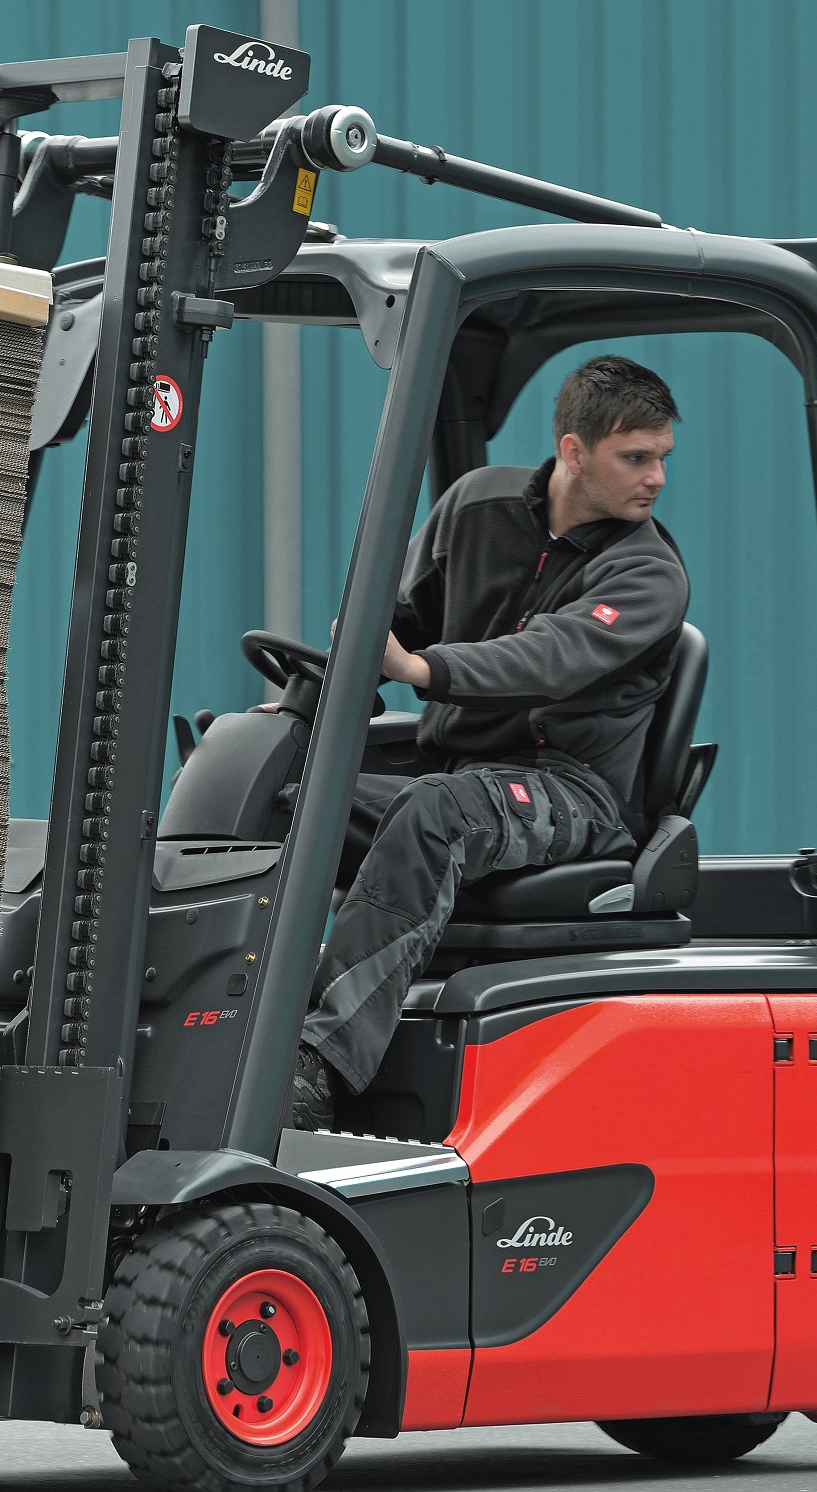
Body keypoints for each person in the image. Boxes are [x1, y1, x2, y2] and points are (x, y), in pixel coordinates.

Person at [292, 355, 691, 1129]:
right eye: (636, 458)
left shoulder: (647, 574)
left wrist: (421, 670)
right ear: (574, 452)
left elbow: (547, 657)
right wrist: (299, 709)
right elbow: (399, 616)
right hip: (460, 768)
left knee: (440, 812)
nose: (656, 479)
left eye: (662, 458)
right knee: (285, 790)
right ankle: (231, 1022)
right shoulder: (476, 504)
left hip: (567, 788)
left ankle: (320, 1071)